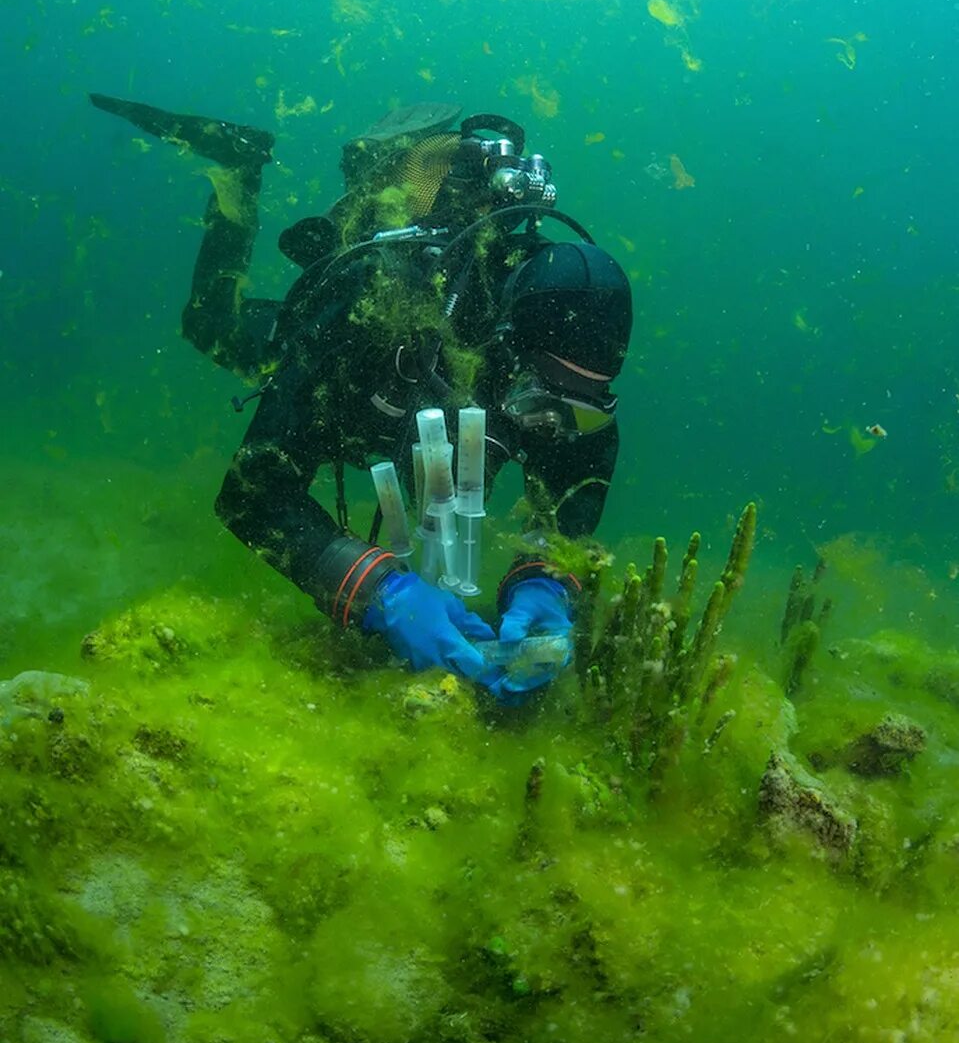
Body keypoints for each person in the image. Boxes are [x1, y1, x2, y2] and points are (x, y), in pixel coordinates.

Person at [90, 94, 633, 701]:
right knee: (209, 325)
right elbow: (252, 494)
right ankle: (236, 167)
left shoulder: (558, 363)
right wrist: (381, 592)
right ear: (504, 348)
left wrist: (546, 580)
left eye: (583, 408)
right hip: (341, 366)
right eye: (540, 401)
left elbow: (581, 466)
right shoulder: (366, 318)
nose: (553, 427)